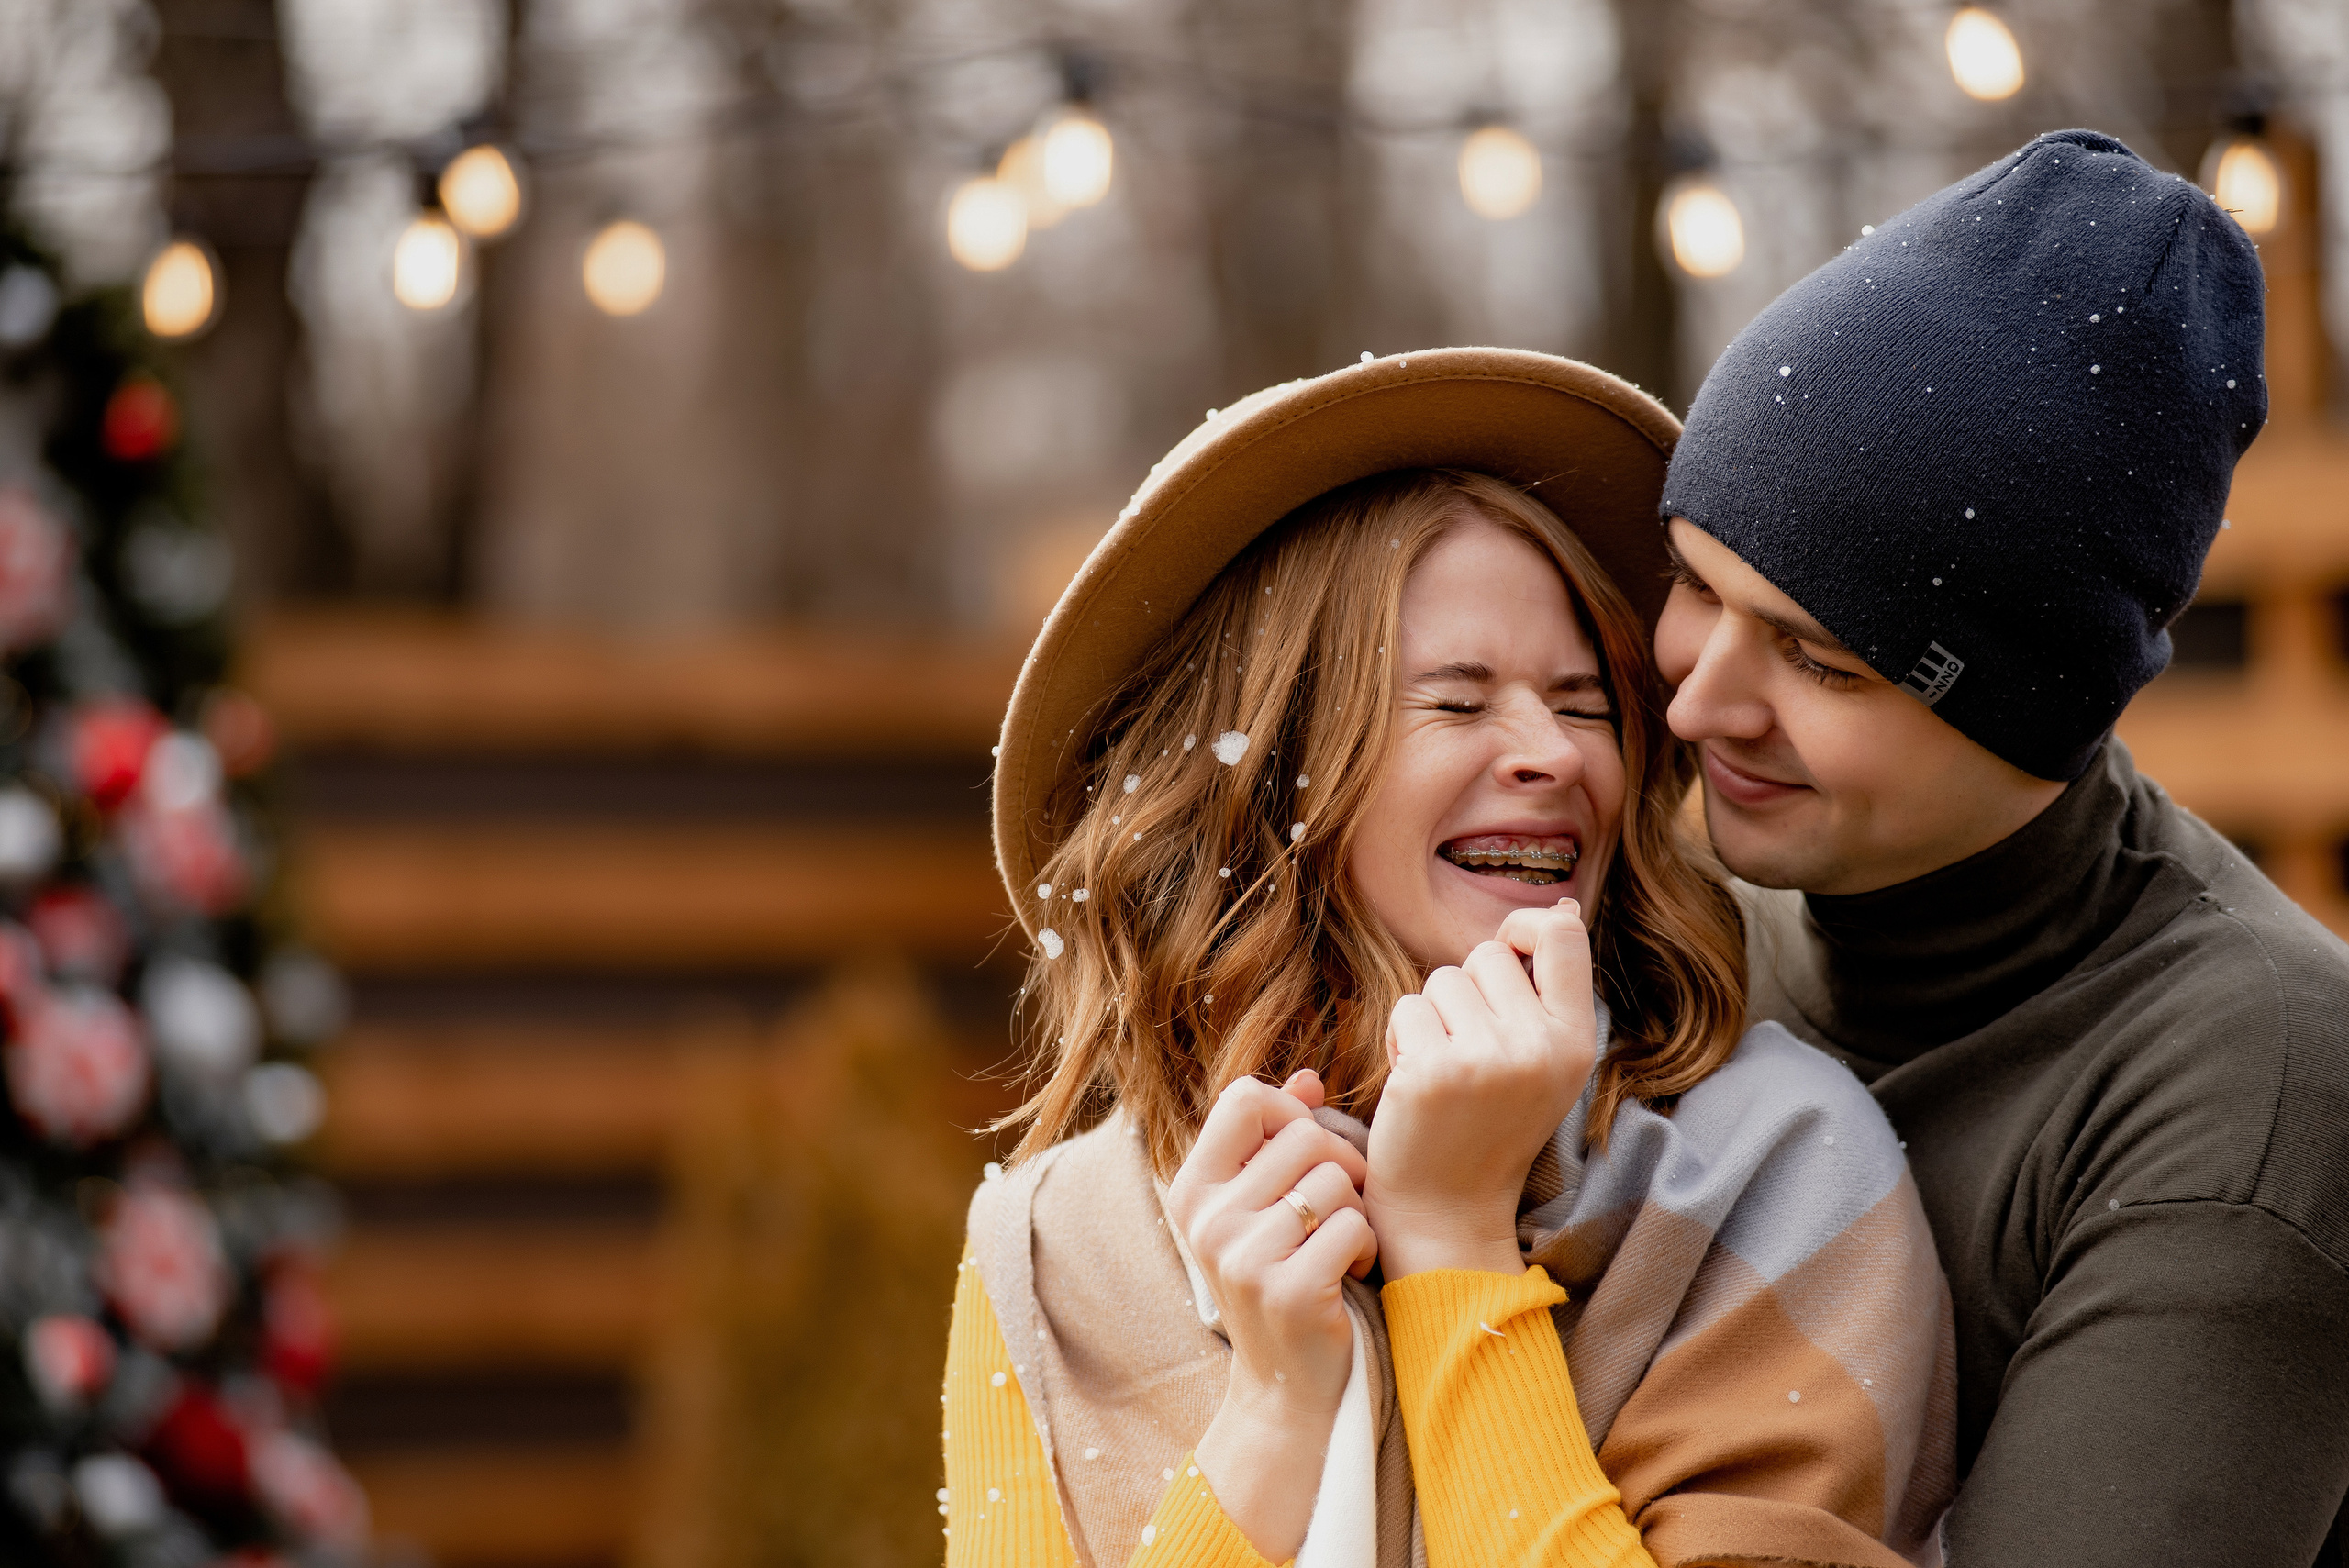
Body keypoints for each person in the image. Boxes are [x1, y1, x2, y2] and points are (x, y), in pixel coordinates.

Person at [945, 350, 1954, 1568]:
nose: (1553, 754)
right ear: (1272, 768)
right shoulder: (1059, 1249)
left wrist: (1455, 1241)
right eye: (1459, 702)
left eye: (1584, 704)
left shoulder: (1781, 1171)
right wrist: (1273, 1417)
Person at [1653, 128, 2349, 1567]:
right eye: (1694, 586)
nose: (1698, 700)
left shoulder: (2253, 1094)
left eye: (1819, 659)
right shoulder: (1678, 901)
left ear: (2035, 704)